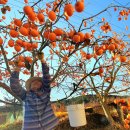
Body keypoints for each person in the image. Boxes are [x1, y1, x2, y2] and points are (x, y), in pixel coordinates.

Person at [10, 53, 59, 130]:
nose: (36, 82)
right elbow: (15, 86)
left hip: (49, 126)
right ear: (29, 86)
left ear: (42, 85)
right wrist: (17, 69)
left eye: (39, 81)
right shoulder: (25, 95)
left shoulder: (45, 92)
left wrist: (43, 61)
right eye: (33, 81)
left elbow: (46, 77)